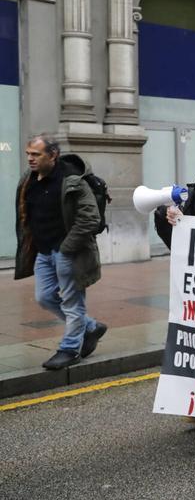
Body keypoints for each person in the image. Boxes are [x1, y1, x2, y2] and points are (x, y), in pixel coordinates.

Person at [15, 135, 106, 371]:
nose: (30, 159)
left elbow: (90, 218)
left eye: (36, 154)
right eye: (28, 154)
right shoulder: (29, 179)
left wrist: (66, 248)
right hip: (43, 252)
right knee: (44, 297)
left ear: (53, 155)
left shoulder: (73, 180)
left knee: (72, 303)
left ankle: (70, 349)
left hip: (68, 252)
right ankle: (91, 327)